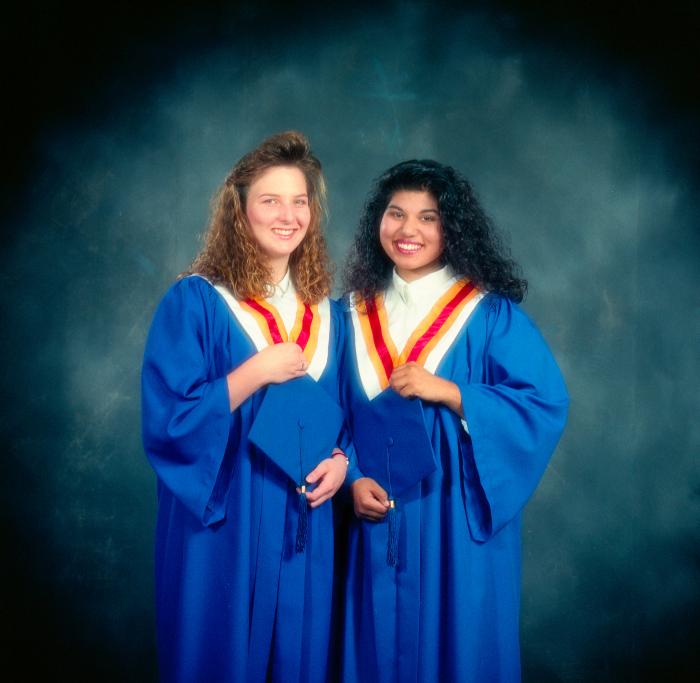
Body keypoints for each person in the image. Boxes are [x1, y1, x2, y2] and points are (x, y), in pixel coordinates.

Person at [338, 159, 569, 682]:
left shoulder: (489, 315)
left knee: (457, 652)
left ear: (452, 229)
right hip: (372, 514)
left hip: (451, 518)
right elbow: (329, 418)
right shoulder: (347, 314)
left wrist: (452, 391)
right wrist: (351, 478)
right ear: (378, 222)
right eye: (395, 214)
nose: (408, 230)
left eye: (428, 217)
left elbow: (542, 403)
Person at [141, 131, 349, 683]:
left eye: (299, 201)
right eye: (270, 200)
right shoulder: (197, 301)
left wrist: (343, 460)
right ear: (239, 210)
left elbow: (348, 414)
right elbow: (169, 423)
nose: (288, 215)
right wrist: (253, 372)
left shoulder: (331, 315)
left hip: (304, 521)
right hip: (226, 520)